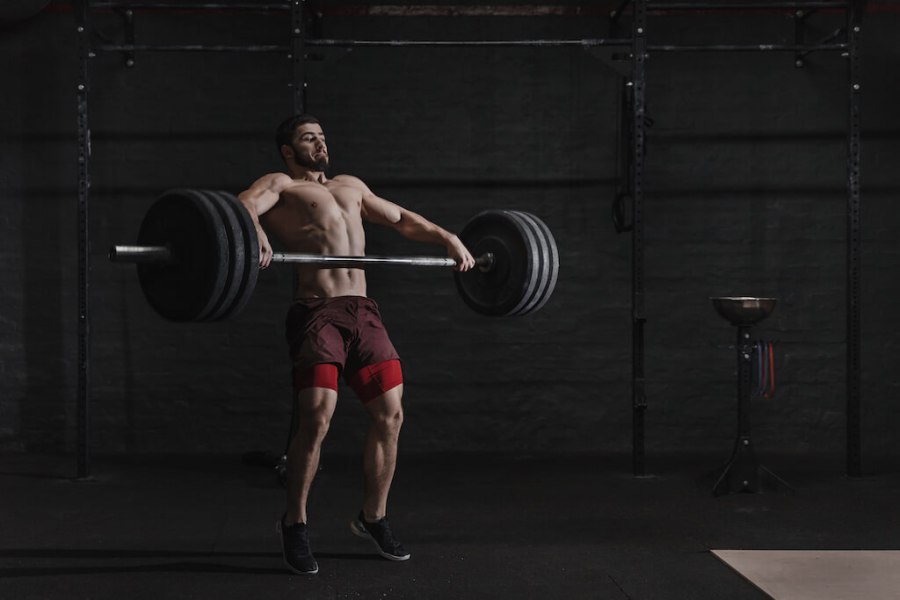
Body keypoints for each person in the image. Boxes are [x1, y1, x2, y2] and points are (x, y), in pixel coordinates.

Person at [238, 114, 475, 575]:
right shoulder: (281, 184)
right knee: (317, 416)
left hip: (363, 312)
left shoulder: (350, 186)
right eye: (309, 138)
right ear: (289, 149)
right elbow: (242, 207)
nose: (320, 143)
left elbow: (402, 220)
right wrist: (258, 232)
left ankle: (373, 517)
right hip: (316, 311)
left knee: (391, 413)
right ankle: (295, 523)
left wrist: (448, 237)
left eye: (323, 136)